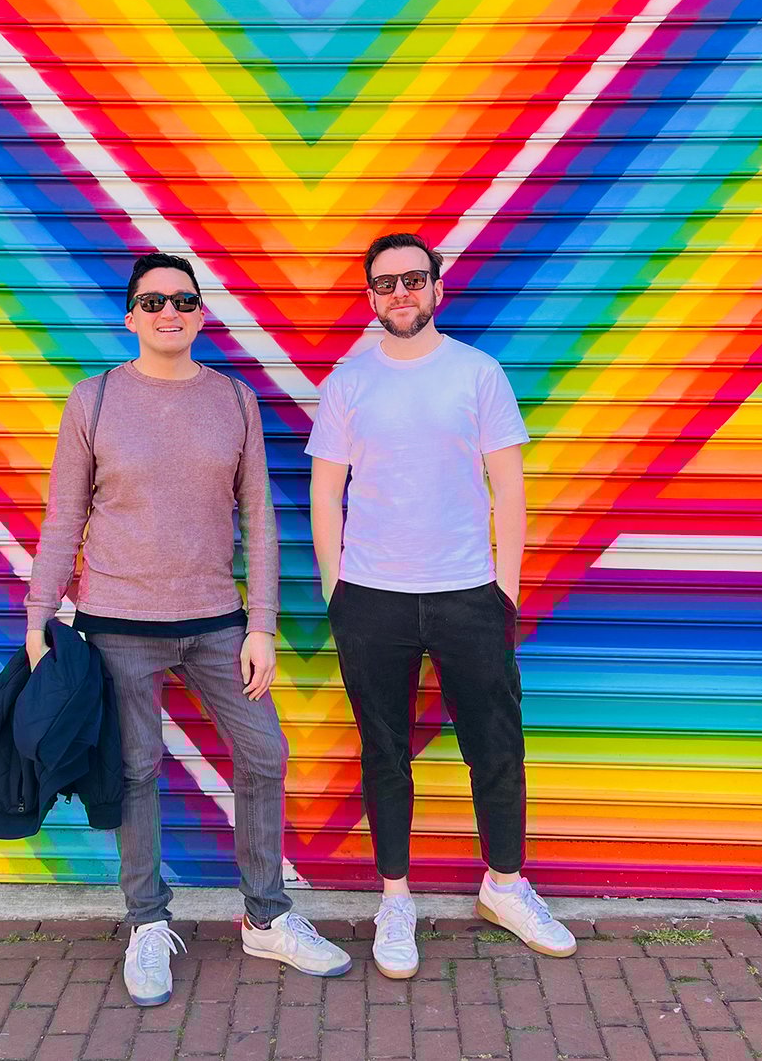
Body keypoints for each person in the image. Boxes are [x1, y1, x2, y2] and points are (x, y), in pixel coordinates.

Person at [26, 252, 351, 1007]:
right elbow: (64, 515)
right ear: (131, 315)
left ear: (201, 313)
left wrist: (262, 624)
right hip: (115, 623)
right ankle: (145, 921)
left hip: (214, 620)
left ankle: (265, 915)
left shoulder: (235, 399)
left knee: (265, 752)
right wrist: (39, 613)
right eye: (153, 300)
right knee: (137, 768)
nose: (169, 311)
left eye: (183, 299)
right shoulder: (96, 398)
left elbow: (262, 519)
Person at [307, 232, 576, 978]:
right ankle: (396, 898)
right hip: (373, 598)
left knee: (495, 747)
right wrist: (339, 592)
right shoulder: (348, 382)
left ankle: (506, 884)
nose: (401, 293)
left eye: (413, 280)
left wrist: (506, 590)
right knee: (385, 752)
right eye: (386, 283)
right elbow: (326, 491)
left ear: (437, 287)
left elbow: (509, 487)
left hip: (468, 594)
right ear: (370, 296)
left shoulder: (477, 373)